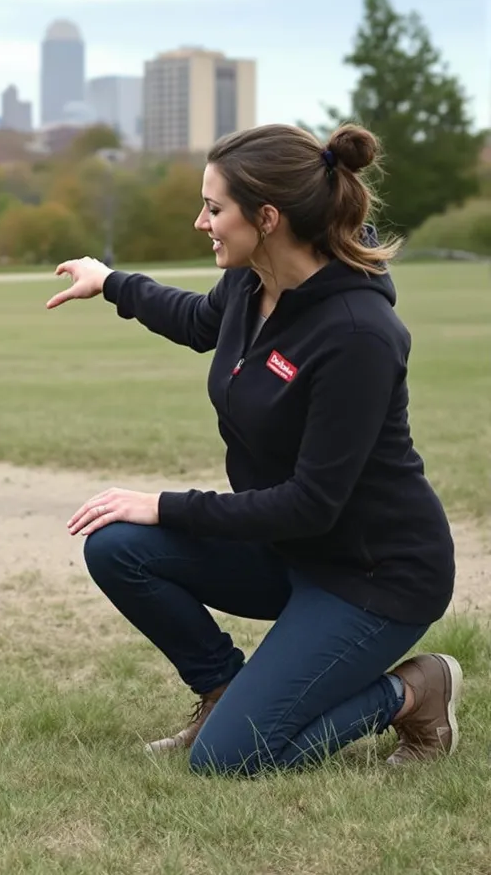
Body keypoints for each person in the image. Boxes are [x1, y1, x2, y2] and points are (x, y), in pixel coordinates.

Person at [45, 121, 460, 777]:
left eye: (214, 209)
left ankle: (413, 691)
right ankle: (223, 693)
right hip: (289, 552)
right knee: (118, 544)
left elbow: (311, 505)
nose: (199, 222)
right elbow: (197, 322)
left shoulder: (358, 335)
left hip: (373, 575)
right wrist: (112, 283)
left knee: (229, 761)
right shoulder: (250, 283)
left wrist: (167, 504)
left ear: (267, 218)